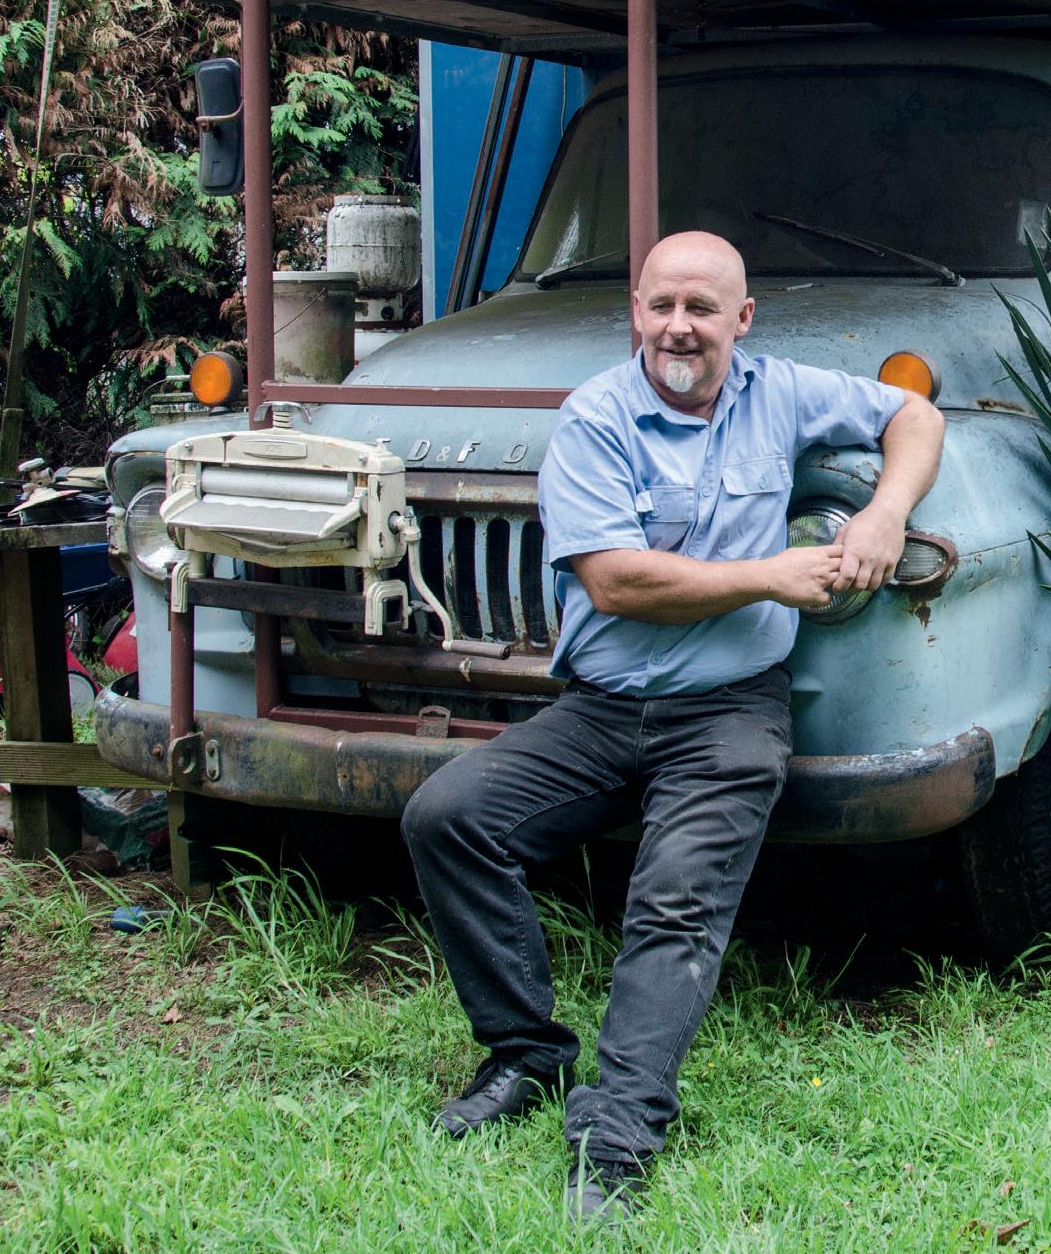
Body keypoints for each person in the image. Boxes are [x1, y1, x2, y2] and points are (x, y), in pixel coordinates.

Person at [401, 231, 944, 1224]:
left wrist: (883, 513)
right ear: (634, 314)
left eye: (700, 308)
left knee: (674, 901)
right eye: (660, 306)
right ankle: (524, 1055)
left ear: (740, 321)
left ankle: (613, 1143)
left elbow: (912, 412)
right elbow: (615, 581)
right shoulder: (596, 417)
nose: (677, 327)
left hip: (729, 710)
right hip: (601, 711)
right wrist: (768, 575)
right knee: (448, 817)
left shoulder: (777, 391)